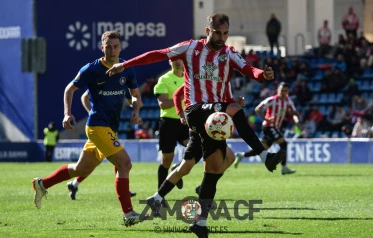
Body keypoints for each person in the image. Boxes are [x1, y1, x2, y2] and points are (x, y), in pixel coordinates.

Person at [105, 13, 285, 237]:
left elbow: (249, 70)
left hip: (215, 117)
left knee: (215, 167)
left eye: (225, 33)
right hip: (196, 110)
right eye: (217, 33)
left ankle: (199, 221)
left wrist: (263, 74)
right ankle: (263, 155)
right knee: (233, 110)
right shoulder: (189, 48)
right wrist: (125, 65)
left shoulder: (229, 53)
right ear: (208, 31)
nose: (222, 37)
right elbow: (157, 55)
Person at [31, 31, 148, 227]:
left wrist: (135, 109)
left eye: (115, 46)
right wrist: (67, 113)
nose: (112, 50)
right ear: (101, 47)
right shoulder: (92, 69)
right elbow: (70, 89)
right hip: (96, 126)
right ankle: (129, 214)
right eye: (108, 46)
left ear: (121, 47)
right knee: (124, 163)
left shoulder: (127, 68)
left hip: (110, 129)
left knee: (81, 169)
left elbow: (136, 95)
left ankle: (42, 184)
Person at [145, 85, 245, 218]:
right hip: (199, 128)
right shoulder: (196, 77)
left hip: (211, 128)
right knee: (187, 168)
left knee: (188, 167)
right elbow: (176, 94)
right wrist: (181, 114)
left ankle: (157, 198)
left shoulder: (220, 79)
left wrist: (235, 103)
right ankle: (202, 189)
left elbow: (223, 101)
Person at [66, 90, 137, 200]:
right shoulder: (103, 79)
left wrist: (137, 104)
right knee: (120, 161)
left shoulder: (123, 81)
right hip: (100, 128)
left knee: (93, 164)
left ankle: (73, 184)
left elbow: (131, 99)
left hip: (110, 128)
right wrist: (91, 112)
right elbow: (84, 96)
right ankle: (125, 192)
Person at [234, 82, 299, 175]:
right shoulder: (272, 100)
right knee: (284, 144)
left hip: (275, 128)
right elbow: (257, 109)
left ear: (288, 92)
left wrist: (296, 121)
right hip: (268, 127)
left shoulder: (288, 101)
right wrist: (266, 118)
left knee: (262, 149)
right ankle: (284, 168)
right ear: (278, 90)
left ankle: (241, 155)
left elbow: (294, 112)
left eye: (285, 91)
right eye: (281, 90)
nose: (283, 92)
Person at [153, 59, 188, 191]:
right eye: (174, 59)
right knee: (166, 160)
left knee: (196, 148)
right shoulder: (164, 79)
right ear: (170, 62)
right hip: (168, 123)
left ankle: (178, 168)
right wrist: (180, 97)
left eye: (180, 59)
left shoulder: (189, 78)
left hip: (185, 122)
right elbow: (163, 104)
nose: (178, 62)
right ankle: (160, 193)